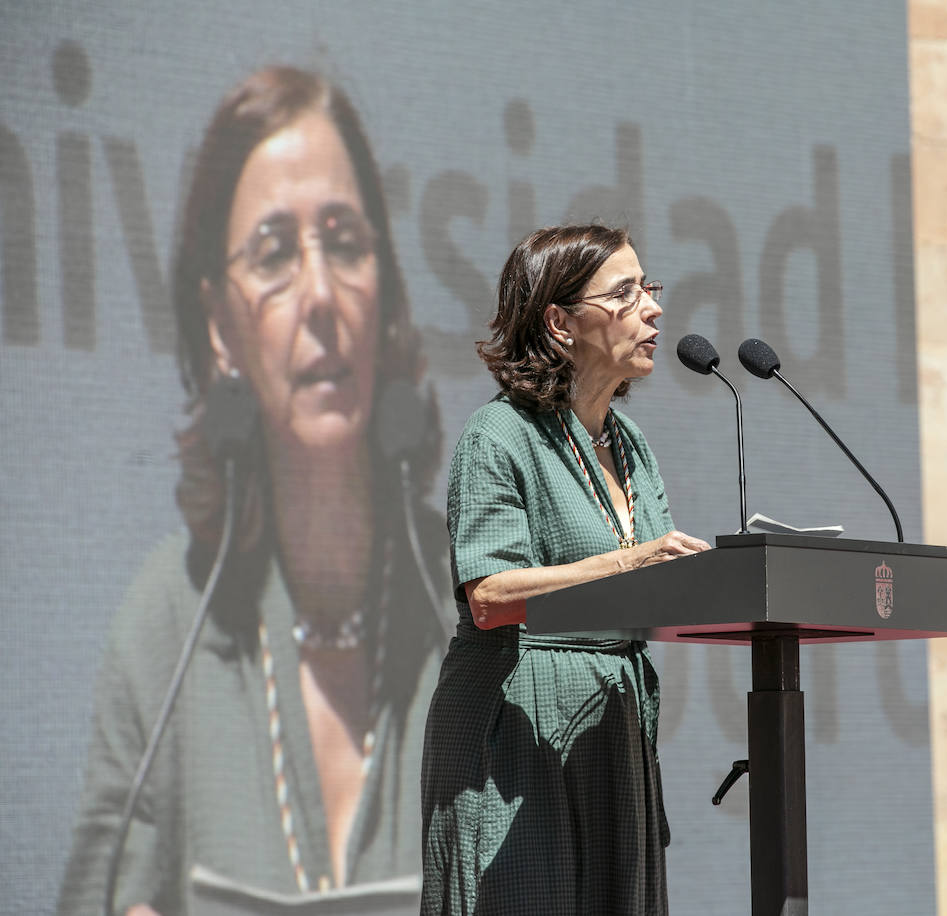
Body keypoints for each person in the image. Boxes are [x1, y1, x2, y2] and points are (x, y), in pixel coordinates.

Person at [58, 67, 447, 915]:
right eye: (273, 253)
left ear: (382, 289)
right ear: (218, 326)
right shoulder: (166, 627)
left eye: (345, 241)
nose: (319, 294)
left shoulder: (471, 603)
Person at [421, 225, 710, 915]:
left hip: (611, 724)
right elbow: (490, 596)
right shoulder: (500, 436)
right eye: (625, 293)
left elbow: (657, 578)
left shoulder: (629, 442)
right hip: (520, 725)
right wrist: (633, 560)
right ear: (559, 322)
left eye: (650, 288)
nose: (653, 308)